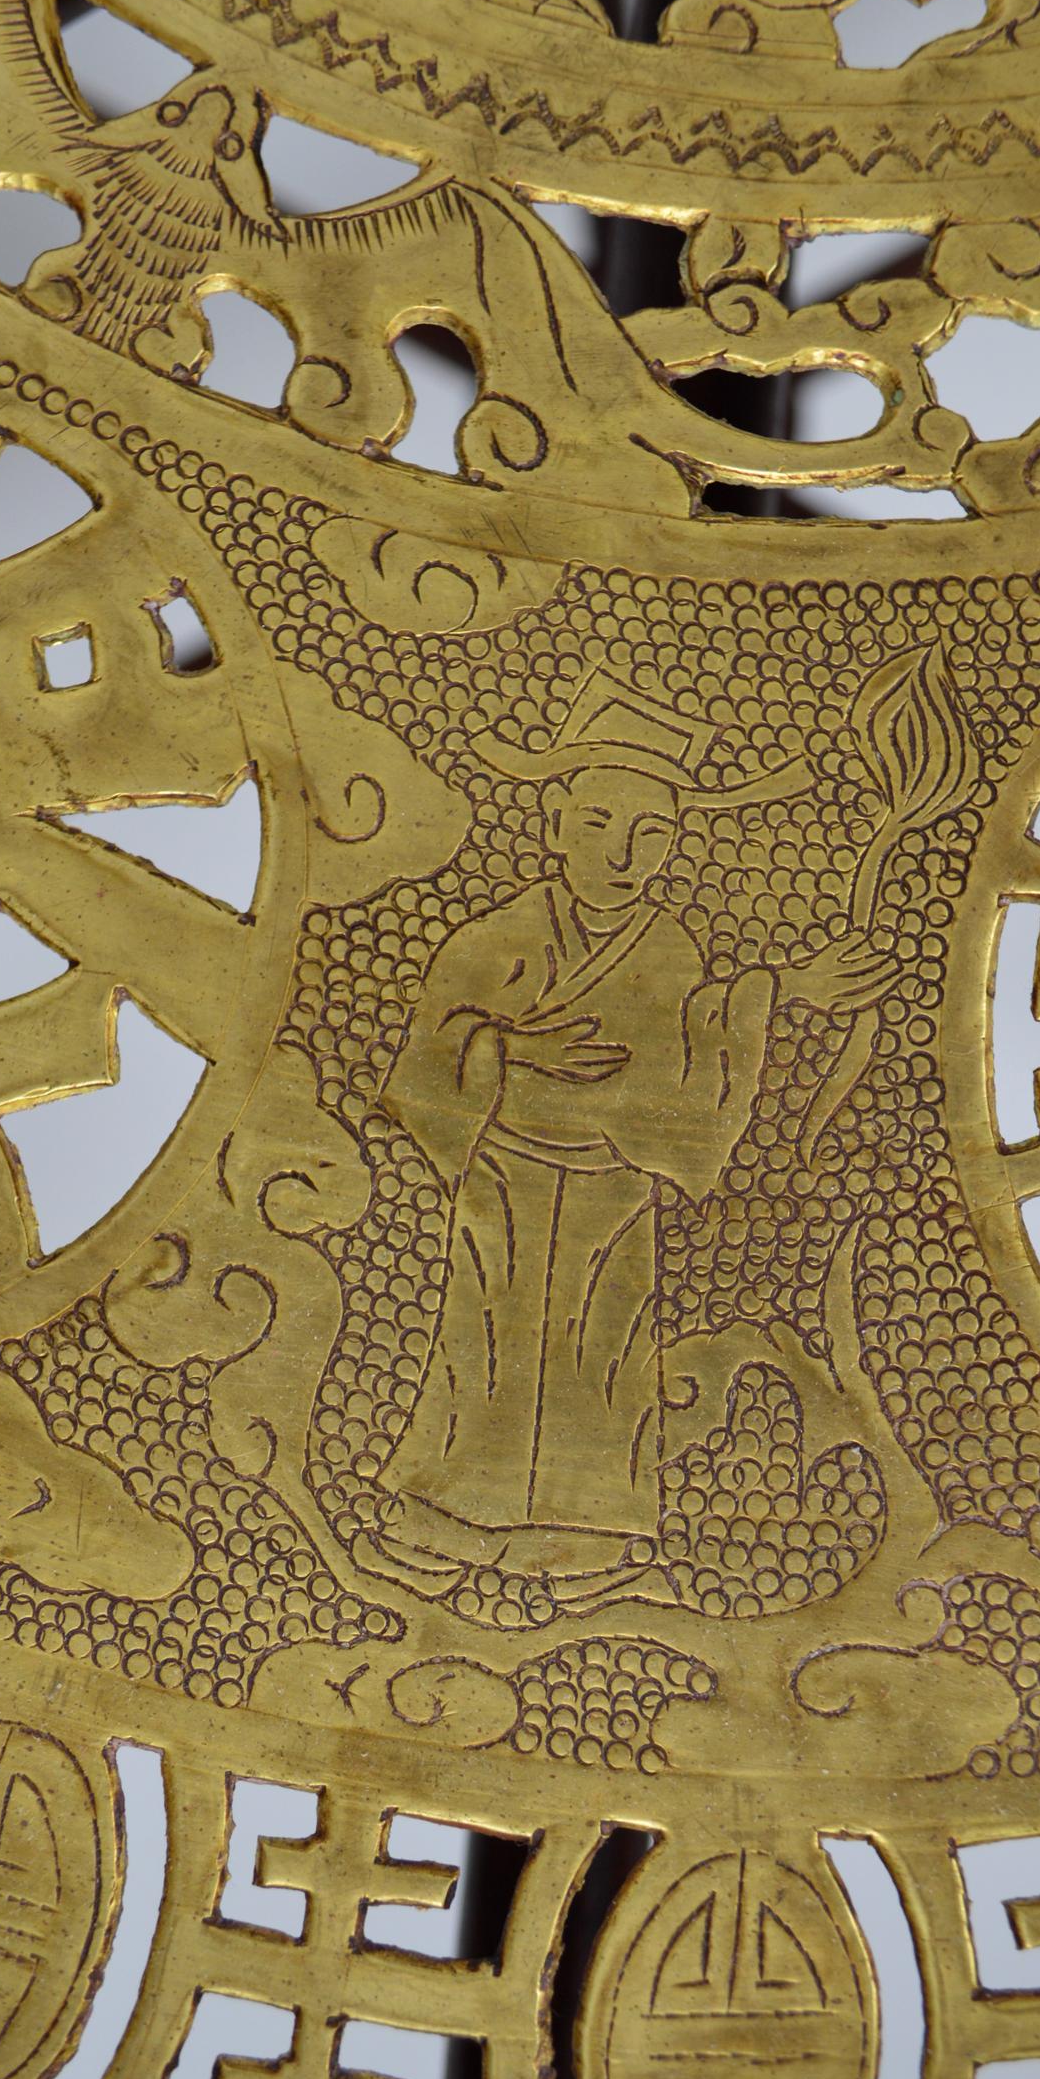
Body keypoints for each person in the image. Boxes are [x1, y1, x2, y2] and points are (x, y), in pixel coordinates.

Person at [378, 671, 889, 1577]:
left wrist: (780, 991)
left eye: (652, 835)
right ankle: (447, 1511)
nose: (623, 854)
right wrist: (511, 1054)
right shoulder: (498, 934)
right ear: (556, 825)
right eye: (600, 827)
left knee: (603, 1353)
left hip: (612, 1184)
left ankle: (586, 1528)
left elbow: (695, 1039)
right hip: (504, 1172)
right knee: (481, 1341)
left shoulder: (667, 945)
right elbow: (430, 1053)